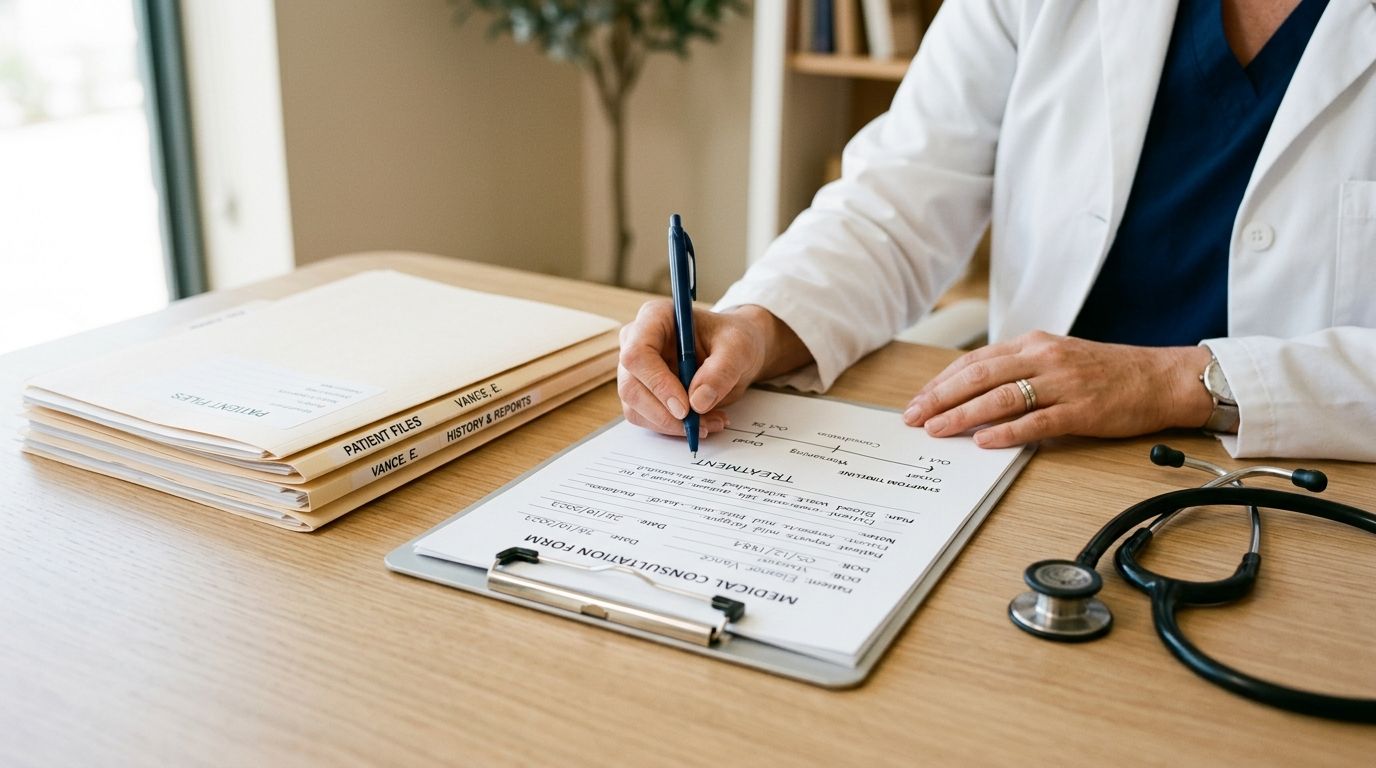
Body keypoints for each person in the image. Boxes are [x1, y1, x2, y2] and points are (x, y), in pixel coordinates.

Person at [618, 0, 1376, 462]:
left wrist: (1177, 381)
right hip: (1027, 459)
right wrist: (759, 324)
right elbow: (901, 195)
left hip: (1304, 471)